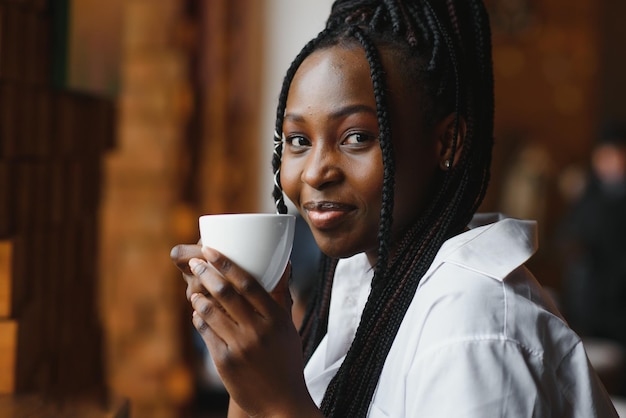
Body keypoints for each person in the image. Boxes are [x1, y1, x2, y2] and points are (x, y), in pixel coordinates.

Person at [170, 0, 619, 416]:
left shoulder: (472, 332)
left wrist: (280, 399)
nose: (314, 173)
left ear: (448, 142)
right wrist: (247, 371)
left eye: (356, 137)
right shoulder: (362, 285)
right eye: (298, 141)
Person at [557, 122, 626, 394]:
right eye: (606, 156)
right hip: (588, 302)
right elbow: (570, 233)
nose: (613, 163)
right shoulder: (589, 194)